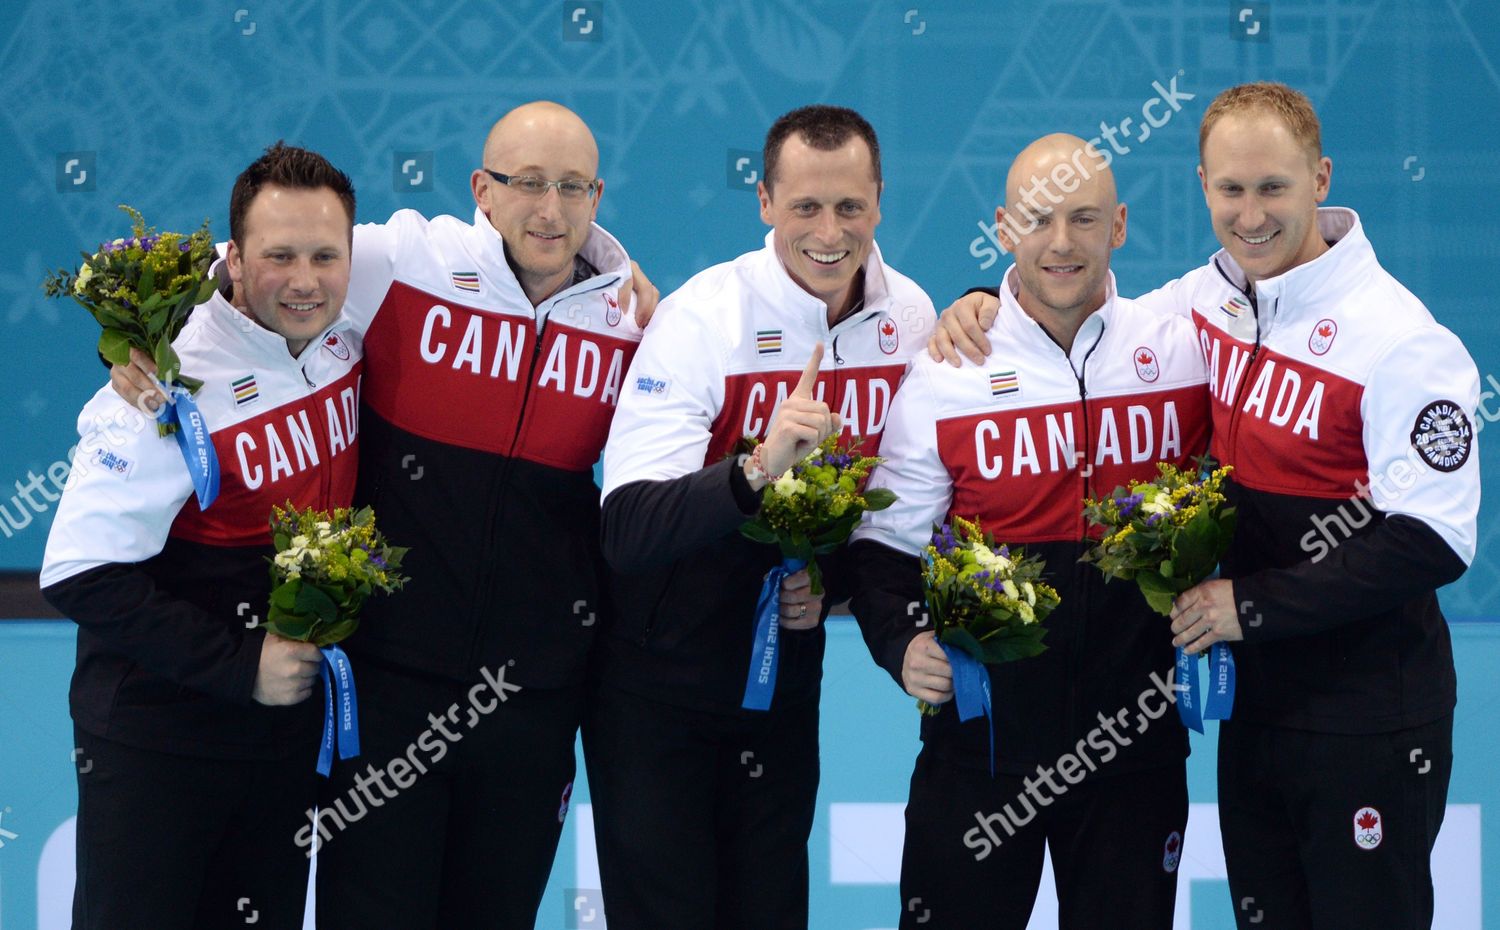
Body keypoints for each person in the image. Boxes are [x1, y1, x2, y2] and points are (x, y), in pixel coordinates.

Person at [931, 82, 1481, 930]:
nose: (1250, 214)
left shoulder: (1401, 337)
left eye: (1273, 188)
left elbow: (1433, 540)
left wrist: (1249, 606)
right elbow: (1080, 310)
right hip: (1253, 711)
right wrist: (983, 304)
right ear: (1202, 187)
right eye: (1231, 189)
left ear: (1322, 178)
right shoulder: (1207, 301)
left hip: (1367, 718)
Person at [108, 101, 660, 929]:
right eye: (528, 183)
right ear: (482, 187)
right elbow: (259, 265)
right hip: (389, 692)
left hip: (531, 699)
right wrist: (132, 342)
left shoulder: (637, 320)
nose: (551, 208)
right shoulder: (402, 259)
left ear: (598, 194)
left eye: (573, 187)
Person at [588, 104, 936, 929]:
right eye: (806, 206)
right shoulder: (706, 317)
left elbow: (905, 514)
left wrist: (833, 582)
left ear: (880, 200)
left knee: (770, 910)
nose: (830, 230)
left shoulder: (912, 320)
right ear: (765, 204)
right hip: (657, 685)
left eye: (850, 206)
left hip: (784, 683)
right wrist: (752, 470)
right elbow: (629, 531)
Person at [849, 134, 1208, 930]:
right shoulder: (948, 369)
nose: (1061, 243)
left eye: (1084, 220)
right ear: (1004, 228)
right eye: (1039, 220)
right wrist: (900, 642)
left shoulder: (1181, 348)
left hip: (1133, 755)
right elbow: (883, 547)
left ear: (1120, 226)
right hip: (980, 754)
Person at [41, 142, 362, 929]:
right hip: (161, 744)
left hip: (277, 743)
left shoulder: (349, 332)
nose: (304, 280)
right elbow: (78, 570)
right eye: (278, 256)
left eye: (325, 255)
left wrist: (618, 275)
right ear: (237, 261)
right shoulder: (163, 379)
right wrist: (236, 665)